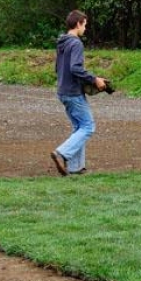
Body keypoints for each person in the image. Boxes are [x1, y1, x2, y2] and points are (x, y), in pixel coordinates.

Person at [50, 10, 108, 176]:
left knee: (79, 127)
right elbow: (75, 68)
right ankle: (61, 153)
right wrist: (94, 79)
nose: (85, 28)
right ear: (78, 24)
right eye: (85, 24)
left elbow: (58, 68)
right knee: (88, 126)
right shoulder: (75, 43)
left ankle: (75, 167)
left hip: (62, 91)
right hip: (73, 92)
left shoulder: (62, 42)